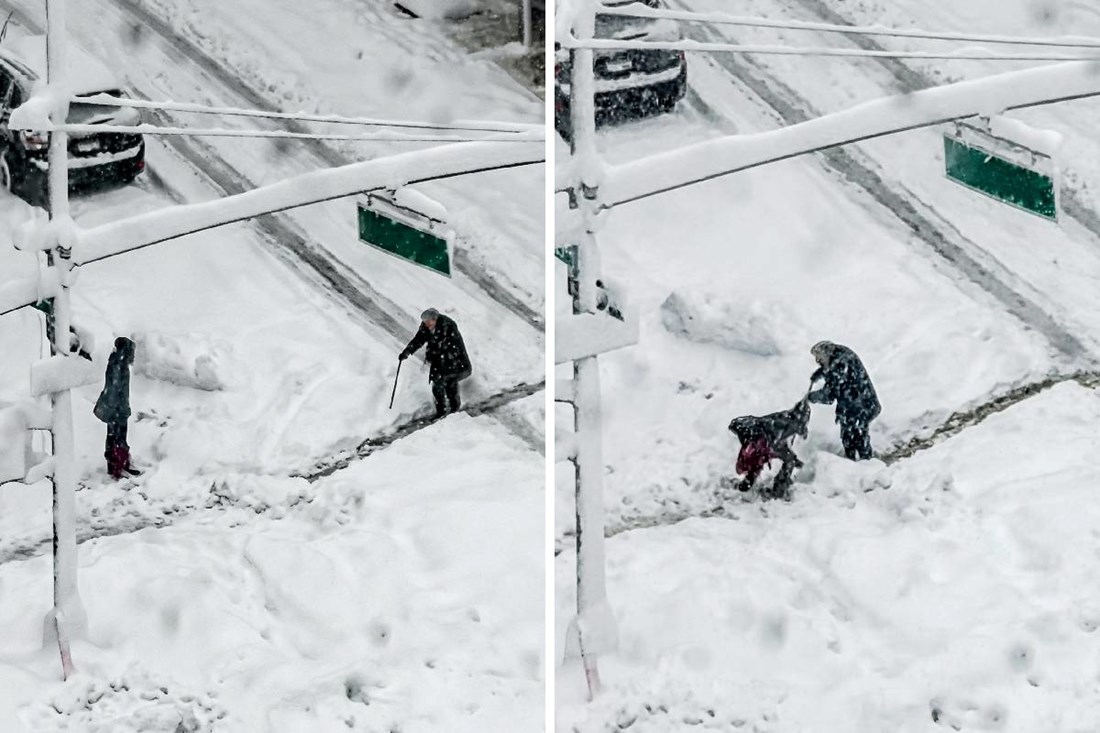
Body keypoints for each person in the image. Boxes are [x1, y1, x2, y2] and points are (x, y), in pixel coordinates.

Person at [808, 340, 880, 461]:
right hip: (857, 405)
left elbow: (829, 394)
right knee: (851, 436)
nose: (817, 362)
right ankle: (855, 463)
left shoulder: (840, 364)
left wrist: (811, 397)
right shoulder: (841, 355)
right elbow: (833, 371)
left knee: (857, 438)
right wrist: (820, 373)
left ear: (826, 353)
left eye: (819, 358)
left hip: (859, 407)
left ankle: (866, 466)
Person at [729, 396, 810, 499]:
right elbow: (776, 440)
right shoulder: (788, 423)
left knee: (756, 467)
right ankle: (778, 491)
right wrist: (790, 457)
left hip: (759, 440)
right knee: (759, 464)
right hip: (759, 441)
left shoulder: (785, 419)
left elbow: (778, 439)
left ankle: (747, 487)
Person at [399, 308, 472, 419]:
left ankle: (454, 410)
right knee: (437, 385)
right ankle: (441, 411)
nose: (426, 324)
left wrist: (444, 355)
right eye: (425, 322)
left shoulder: (448, 326)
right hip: (438, 361)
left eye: (428, 322)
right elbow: (418, 340)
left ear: (435, 319)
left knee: (450, 384)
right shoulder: (426, 327)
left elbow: (454, 346)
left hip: (454, 361)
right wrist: (406, 352)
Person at [93, 337, 140, 479]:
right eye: (131, 352)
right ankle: (118, 466)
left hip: (118, 407)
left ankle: (118, 465)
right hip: (117, 409)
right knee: (118, 438)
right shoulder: (118, 364)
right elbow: (114, 388)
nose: (133, 356)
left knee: (115, 437)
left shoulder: (117, 362)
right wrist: (116, 409)